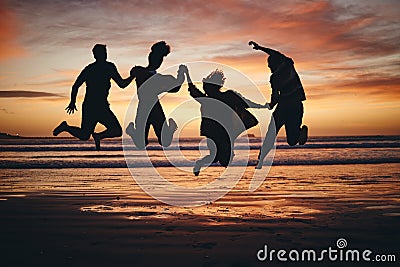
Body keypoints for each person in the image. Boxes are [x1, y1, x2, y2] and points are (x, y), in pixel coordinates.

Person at [185, 68, 267, 176]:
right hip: (216, 133)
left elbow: (245, 102)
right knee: (219, 158)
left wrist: (262, 106)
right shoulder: (213, 99)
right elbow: (193, 89)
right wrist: (187, 74)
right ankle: (200, 163)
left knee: (219, 159)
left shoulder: (225, 97)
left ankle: (201, 163)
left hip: (222, 132)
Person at [53, 44, 133, 150]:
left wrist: (133, 76)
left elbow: (122, 84)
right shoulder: (90, 69)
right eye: (101, 54)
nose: (104, 55)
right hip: (91, 106)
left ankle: (98, 136)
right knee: (85, 135)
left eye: (105, 53)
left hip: (100, 106)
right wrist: (72, 102)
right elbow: (76, 85)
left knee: (115, 131)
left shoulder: (109, 67)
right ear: (95, 56)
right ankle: (66, 127)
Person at [249, 41, 308, 169]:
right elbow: (275, 53)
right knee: (283, 138)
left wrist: (270, 105)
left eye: (270, 66)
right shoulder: (288, 64)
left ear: (275, 64)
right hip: (291, 106)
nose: (270, 68)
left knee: (280, 137)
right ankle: (261, 159)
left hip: (287, 107)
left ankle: (261, 159)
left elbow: (275, 95)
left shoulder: (276, 76)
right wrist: (260, 48)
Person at [125, 41, 185, 149]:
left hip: (154, 108)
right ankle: (132, 132)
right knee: (141, 144)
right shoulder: (142, 72)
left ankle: (170, 129)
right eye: (157, 57)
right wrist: (180, 76)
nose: (158, 61)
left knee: (165, 142)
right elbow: (174, 86)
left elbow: (175, 88)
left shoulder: (157, 77)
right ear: (150, 56)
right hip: (145, 108)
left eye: (161, 58)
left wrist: (180, 74)